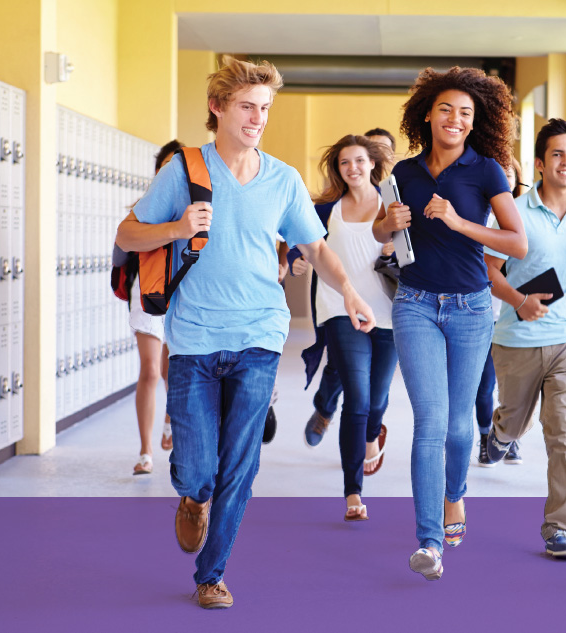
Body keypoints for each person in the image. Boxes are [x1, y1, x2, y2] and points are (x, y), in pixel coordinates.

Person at [115, 56, 376, 610]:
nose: (258, 118)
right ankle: (192, 497)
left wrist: (350, 292)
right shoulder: (184, 171)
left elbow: (315, 248)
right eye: (246, 107)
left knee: (241, 464)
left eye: (265, 109)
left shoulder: (283, 178)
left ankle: (212, 574)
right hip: (193, 340)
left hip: (259, 335)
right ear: (218, 108)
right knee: (196, 464)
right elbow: (129, 234)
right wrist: (176, 228)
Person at [373, 66, 527, 581]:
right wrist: (387, 224)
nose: (455, 119)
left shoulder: (487, 172)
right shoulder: (406, 172)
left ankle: (455, 494)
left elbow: (517, 243)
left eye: (465, 112)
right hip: (415, 303)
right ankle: (428, 541)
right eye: (445, 109)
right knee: (430, 423)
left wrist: (459, 221)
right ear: (427, 115)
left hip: (470, 308)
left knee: (461, 427)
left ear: (475, 120)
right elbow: (380, 228)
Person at [484, 119, 566, 560]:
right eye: (557, 154)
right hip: (517, 338)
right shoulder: (513, 211)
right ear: (539, 164)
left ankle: (559, 528)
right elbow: (489, 271)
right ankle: (500, 433)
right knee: (515, 419)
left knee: (564, 433)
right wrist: (519, 301)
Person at [305, 134, 398, 520]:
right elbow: (308, 244)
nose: (353, 168)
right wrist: (294, 260)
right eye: (345, 163)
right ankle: (352, 492)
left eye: (360, 161)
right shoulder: (328, 207)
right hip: (341, 309)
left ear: (373, 163)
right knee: (358, 398)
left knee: (377, 401)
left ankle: (369, 432)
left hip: (389, 311)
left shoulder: (392, 203)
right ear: (338, 168)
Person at [124, 140, 182, 475]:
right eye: (165, 163)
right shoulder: (142, 207)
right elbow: (126, 243)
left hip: (182, 293)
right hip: (147, 292)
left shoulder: (196, 204)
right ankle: (145, 451)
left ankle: (171, 419)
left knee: (173, 370)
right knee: (149, 370)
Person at [476, 157, 524, 467]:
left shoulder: (526, 216)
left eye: (508, 173)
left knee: (514, 385)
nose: (502, 178)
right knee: (484, 385)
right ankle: (485, 436)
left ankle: (508, 435)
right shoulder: (475, 212)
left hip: (515, 313)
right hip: (481, 311)